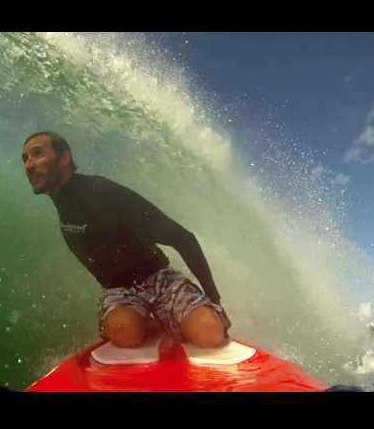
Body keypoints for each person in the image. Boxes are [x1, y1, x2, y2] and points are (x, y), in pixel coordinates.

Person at [21, 131, 231, 349]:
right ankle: (153, 323)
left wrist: (214, 299)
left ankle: (177, 317)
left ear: (64, 158)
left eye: (38, 154)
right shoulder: (62, 201)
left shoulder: (101, 192)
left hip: (159, 279)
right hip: (118, 291)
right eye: (25, 158)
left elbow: (183, 238)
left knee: (209, 334)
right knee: (124, 333)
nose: (28, 165)